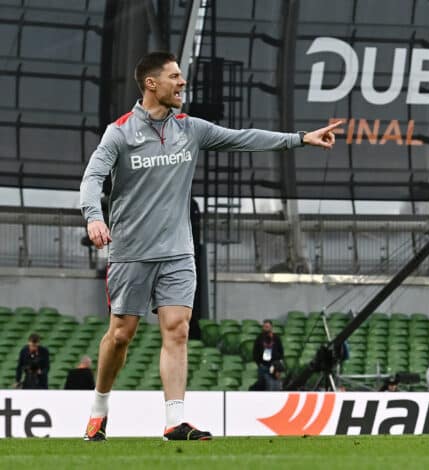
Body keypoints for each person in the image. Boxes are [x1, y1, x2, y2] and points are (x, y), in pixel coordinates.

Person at [79, 51, 340, 441]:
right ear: (152, 84)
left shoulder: (191, 128)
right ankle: (99, 410)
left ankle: (174, 421)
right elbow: (91, 178)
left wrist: (300, 139)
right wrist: (94, 216)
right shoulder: (119, 132)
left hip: (178, 252)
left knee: (178, 330)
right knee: (120, 335)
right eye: (174, 77)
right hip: (130, 252)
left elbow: (244, 138)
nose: (182, 83)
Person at [252, 320, 285, 390]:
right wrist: (259, 363)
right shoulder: (259, 338)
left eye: (267, 327)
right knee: (262, 385)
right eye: (264, 327)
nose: (265, 328)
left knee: (274, 384)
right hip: (263, 366)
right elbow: (255, 352)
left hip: (274, 366)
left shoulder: (276, 338)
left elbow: (281, 351)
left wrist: (278, 362)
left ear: (271, 327)